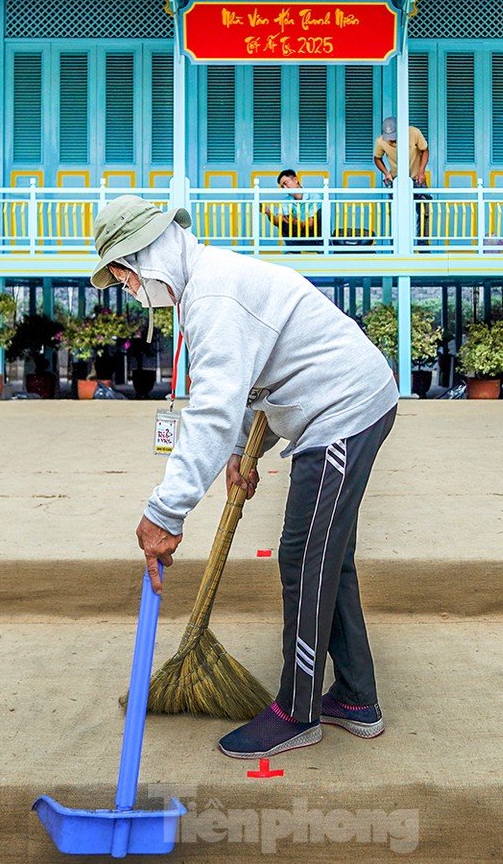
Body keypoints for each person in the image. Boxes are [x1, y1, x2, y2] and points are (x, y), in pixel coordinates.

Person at [90, 195, 398, 761]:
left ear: (144, 257)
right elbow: (247, 389)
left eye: (124, 277)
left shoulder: (214, 296)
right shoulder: (205, 286)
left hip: (343, 410)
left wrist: (165, 512)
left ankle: (297, 710)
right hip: (332, 406)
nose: (130, 291)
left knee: (303, 556)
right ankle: (356, 696)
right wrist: (240, 451)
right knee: (326, 555)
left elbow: (211, 410)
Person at [373, 117, 431, 244]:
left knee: (424, 211)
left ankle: (423, 245)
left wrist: (421, 171)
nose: (392, 140)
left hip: (417, 178)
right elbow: (377, 158)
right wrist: (386, 173)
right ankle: (397, 245)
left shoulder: (414, 133)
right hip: (396, 181)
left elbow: (425, 150)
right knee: (395, 213)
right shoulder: (380, 141)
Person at [259, 168, 323, 246]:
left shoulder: (314, 197)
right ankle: (292, 249)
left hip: (314, 236)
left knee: (320, 214)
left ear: (295, 180)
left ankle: (321, 247)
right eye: (282, 187)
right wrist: (268, 212)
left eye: (286, 183)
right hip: (297, 235)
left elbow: (310, 225)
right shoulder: (286, 201)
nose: (285, 188)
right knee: (284, 220)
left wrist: (294, 221)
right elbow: (278, 222)